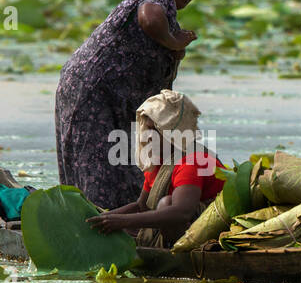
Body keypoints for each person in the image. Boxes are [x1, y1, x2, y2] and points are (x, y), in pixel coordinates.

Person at [56, 0, 202, 209]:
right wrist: (175, 41)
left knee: (118, 160)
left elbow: (162, 89)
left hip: (110, 99)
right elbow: (149, 19)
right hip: (91, 90)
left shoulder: (170, 19)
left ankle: (117, 221)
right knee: (98, 165)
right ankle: (96, 224)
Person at [88, 90, 224, 247]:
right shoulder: (159, 161)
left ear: (174, 132)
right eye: (147, 129)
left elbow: (182, 212)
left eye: (155, 130)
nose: (148, 136)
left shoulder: (191, 161)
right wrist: (103, 218)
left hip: (214, 225)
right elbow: (141, 206)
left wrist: (121, 222)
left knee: (166, 203)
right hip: (184, 223)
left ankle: (172, 249)